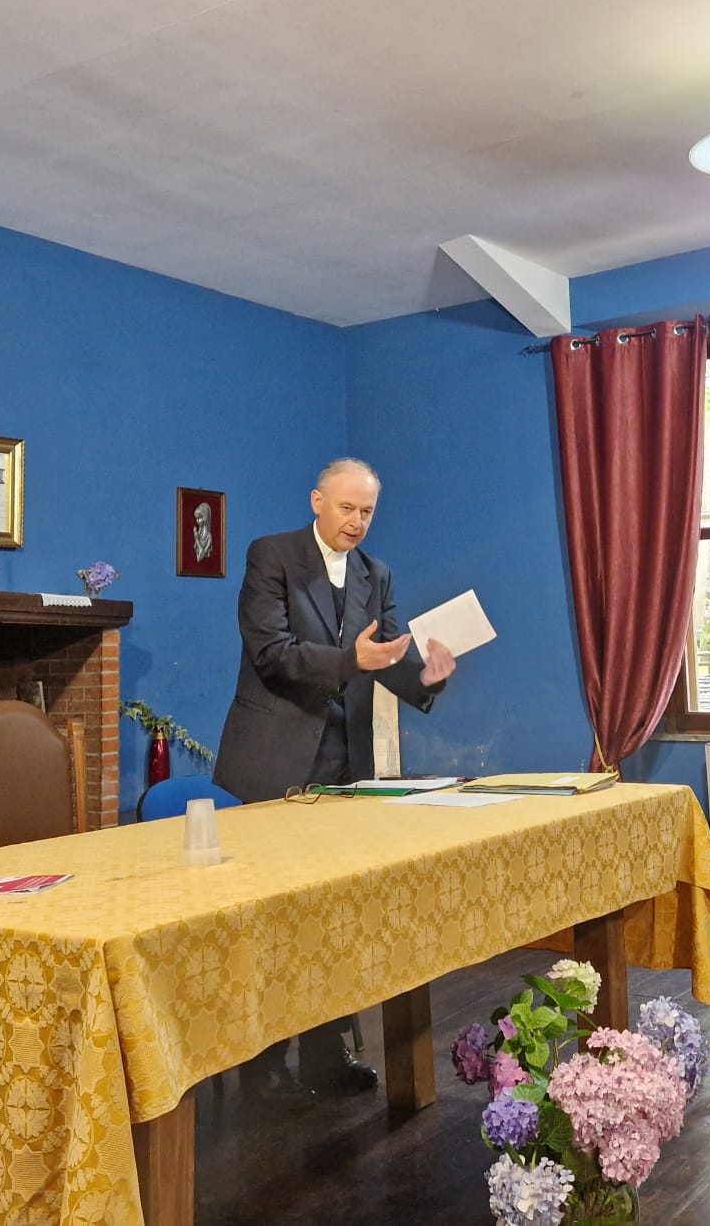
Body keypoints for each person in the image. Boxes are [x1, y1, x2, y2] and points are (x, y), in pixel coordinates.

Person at [211, 458, 456, 1098]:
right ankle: (260, 1061)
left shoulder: (378, 574)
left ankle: (327, 1052)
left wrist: (426, 676)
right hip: (275, 760)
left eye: (367, 512)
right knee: (270, 918)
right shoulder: (272, 556)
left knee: (333, 917)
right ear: (317, 501)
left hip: (346, 765)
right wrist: (353, 660)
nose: (356, 522)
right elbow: (272, 653)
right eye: (347, 508)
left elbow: (385, 657)